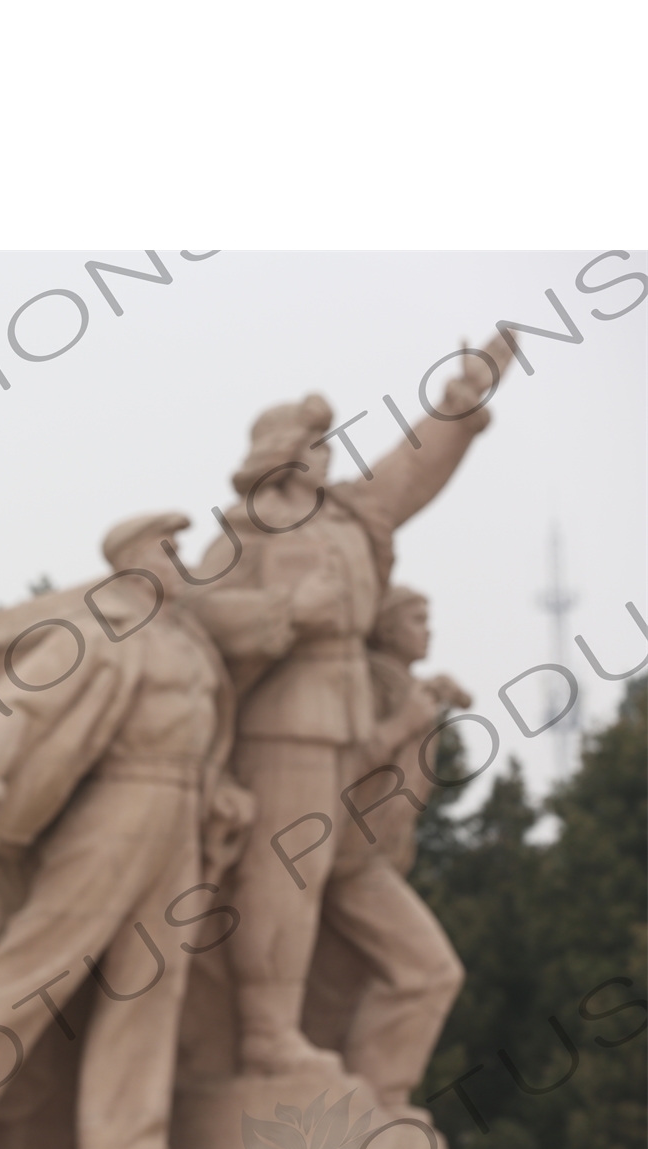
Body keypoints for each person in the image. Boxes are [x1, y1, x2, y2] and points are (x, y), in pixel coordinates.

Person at [0, 515, 253, 1149]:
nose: (181, 559)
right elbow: (12, 706)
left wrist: (219, 789)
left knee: (152, 976)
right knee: (37, 962)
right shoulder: (94, 631)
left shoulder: (189, 642)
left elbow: (201, 728)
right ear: (128, 562)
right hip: (116, 807)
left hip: (181, 815)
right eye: (166, 549)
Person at [196, 334, 513, 1075]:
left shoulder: (349, 518)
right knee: (285, 879)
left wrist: (455, 408)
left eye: (326, 442)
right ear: (276, 450)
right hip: (284, 727)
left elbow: (408, 474)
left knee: (325, 876)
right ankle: (267, 1034)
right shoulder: (248, 530)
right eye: (308, 442)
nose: (323, 454)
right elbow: (199, 613)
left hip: (346, 723)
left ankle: (336, 1055)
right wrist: (287, 610)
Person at [301, 585, 469, 1106]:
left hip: (374, 858)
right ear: (389, 627)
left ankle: (351, 1098)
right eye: (417, 618)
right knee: (428, 971)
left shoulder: (397, 682)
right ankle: (375, 1097)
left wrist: (432, 697)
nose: (428, 630)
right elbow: (343, 760)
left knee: (339, 991)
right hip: (351, 859)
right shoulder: (368, 682)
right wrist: (409, 722)